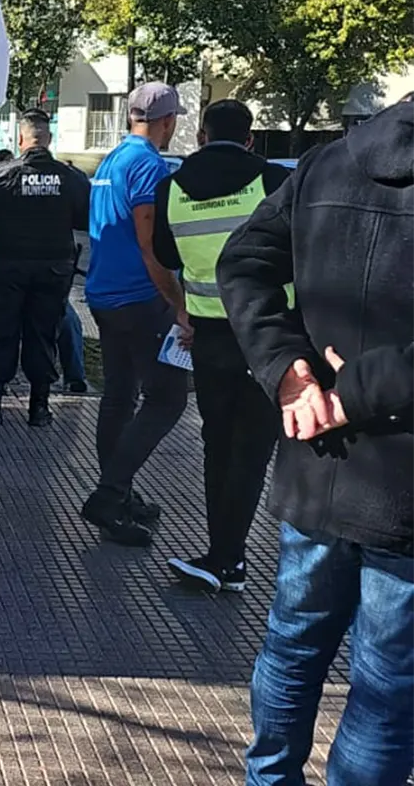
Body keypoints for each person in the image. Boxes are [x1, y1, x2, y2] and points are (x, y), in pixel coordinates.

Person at [217, 97, 414, 786]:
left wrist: (289, 372)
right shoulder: (325, 162)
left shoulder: (327, 162)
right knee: (387, 684)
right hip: (396, 479)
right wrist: (313, 382)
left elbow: (240, 264)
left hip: (316, 462)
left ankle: (268, 779)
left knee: (294, 647)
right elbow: (245, 262)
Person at [151, 99, 289, 592]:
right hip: (269, 337)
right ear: (250, 138)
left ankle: (223, 555)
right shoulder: (273, 182)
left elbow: (166, 254)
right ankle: (228, 558)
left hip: (208, 336)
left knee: (219, 443)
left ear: (202, 137)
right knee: (252, 450)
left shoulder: (171, 188)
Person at [81, 83, 190, 547]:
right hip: (138, 298)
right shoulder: (148, 165)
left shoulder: (111, 160)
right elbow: (150, 244)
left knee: (120, 398)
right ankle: (109, 494)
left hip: (104, 293)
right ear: (168, 121)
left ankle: (118, 495)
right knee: (168, 399)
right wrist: (179, 304)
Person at [0, 110, 89, 428]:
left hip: (6, 267)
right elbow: (85, 219)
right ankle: (39, 408)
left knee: (1, 332)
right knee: (43, 334)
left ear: (20, 139)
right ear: (49, 139)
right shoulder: (71, 178)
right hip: (53, 270)